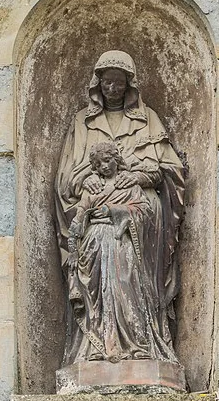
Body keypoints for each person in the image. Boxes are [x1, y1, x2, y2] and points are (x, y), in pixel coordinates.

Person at [56, 50, 185, 365]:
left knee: (128, 269)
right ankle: (98, 344)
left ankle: (142, 341)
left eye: (118, 82)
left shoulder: (147, 120)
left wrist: (136, 177)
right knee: (100, 263)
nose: (112, 89)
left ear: (129, 85)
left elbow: (169, 171)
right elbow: (65, 182)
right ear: (97, 85)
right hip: (97, 219)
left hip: (138, 216)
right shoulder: (82, 123)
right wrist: (87, 180)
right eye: (106, 82)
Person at [67, 142, 178, 363]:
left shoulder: (129, 185)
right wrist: (73, 247)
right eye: (99, 164)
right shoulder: (92, 187)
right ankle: (98, 345)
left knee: (127, 287)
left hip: (121, 243)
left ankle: (136, 344)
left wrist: (115, 210)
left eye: (107, 161)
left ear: (116, 160)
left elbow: (145, 209)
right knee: (98, 294)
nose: (104, 167)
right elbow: (80, 215)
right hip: (93, 245)